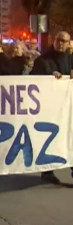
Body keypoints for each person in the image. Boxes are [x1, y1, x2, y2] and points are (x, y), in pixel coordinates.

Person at [30, 31, 73, 184]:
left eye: (64, 41)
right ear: (54, 41)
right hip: (50, 107)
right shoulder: (43, 60)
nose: (61, 43)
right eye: (58, 40)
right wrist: (49, 76)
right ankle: (47, 171)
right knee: (50, 138)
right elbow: (33, 79)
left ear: (68, 44)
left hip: (68, 106)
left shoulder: (70, 59)